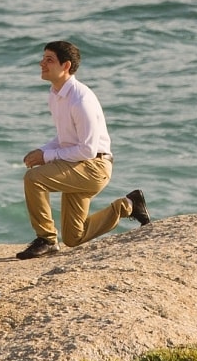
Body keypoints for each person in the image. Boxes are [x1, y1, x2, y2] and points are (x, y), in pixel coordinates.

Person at [16, 40, 149, 260]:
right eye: (43, 58)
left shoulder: (81, 98)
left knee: (33, 179)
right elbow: (66, 137)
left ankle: (47, 240)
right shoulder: (55, 94)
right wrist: (42, 150)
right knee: (73, 238)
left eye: (49, 60)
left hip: (94, 166)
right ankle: (129, 205)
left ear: (66, 66)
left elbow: (87, 149)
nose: (42, 64)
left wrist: (46, 156)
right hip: (78, 164)